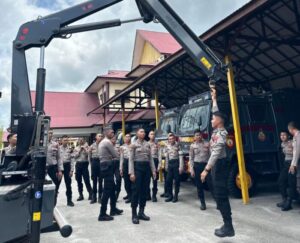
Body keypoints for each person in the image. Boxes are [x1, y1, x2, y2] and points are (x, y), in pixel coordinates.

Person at [201, 87, 235, 238]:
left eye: (213, 119)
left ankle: (228, 226)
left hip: (220, 165)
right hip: (216, 166)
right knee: (216, 192)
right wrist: (214, 98)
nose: (211, 119)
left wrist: (206, 169)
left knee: (221, 194)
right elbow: (216, 111)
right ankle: (225, 222)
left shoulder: (222, 134)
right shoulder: (216, 130)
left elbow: (215, 154)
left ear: (220, 121)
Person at [129, 128, 156, 224]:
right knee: (136, 191)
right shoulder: (133, 145)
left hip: (146, 169)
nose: (143, 133)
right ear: (137, 133)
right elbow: (131, 160)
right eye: (141, 131)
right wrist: (131, 173)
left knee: (144, 191)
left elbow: (151, 159)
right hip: (137, 168)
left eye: (144, 131)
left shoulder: (148, 144)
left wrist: (153, 170)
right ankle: (134, 214)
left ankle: (141, 212)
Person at [98, 128, 123, 221]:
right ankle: (102, 214)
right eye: (111, 132)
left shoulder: (103, 142)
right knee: (107, 190)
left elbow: (112, 155)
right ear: (106, 133)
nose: (113, 133)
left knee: (112, 188)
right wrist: (116, 153)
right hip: (107, 166)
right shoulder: (107, 142)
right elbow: (116, 154)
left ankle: (113, 209)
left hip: (106, 165)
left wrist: (111, 155)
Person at [189, 129, 212, 210]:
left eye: (199, 135)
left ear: (201, 135)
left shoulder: (207, 144)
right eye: (196, 135)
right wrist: (191, 169)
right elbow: (191, 158)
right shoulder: (192, 146)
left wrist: (210, 166)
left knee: (211, 184)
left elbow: (211, 155)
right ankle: (203, 203)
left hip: (206, 166)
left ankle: (218, 203)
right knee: (199, 186)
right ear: (194, 137)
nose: (198, 136)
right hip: (197, 166)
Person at [276, 131, 296, 211]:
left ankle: (289, 203)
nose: (282, 136)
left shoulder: (292, 143)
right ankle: (284, 199)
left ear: (288, 136)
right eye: (281, 135)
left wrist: (294, 164)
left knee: (291, 183)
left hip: (292, 164)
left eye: (284, 135)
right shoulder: (282, 144)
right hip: (286, 164)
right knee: (281, 181)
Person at [164, 134, 183, 203]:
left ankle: (176, 196)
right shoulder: (167, 146)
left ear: (174, 139)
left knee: (177, 181)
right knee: (168, 180)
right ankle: (170, 195)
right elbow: (166, 157)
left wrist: (181, 167)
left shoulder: (178, 145)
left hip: (176, 163)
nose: (170, 140)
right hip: (170, 164)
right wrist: (166, 165)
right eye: (169, 139)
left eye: (172, 139)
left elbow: (181, 157)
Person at [46, 130, 63, 206]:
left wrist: (60, 170)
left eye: (51, 133)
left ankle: (53, 206)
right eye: (49, 133)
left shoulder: (55, 144)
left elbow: (59, 158)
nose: (50, 135)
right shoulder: (40, 143)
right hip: (43, 169)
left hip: (53, 168)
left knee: (55, 188)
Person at [60, 135, 75, 207]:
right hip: (60, 167)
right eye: (64, 140)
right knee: (56, 184)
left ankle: (69, 201)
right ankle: (53, 202)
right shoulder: (58, 149)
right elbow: (57, 159)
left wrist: (71, 170)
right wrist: (58, 170)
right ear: (61, 141)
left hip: (67, 167)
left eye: (66, 140)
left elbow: (72, 160)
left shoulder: (70, 149)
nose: (65, 141)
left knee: (68, 185)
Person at [89, 133, 104, 204]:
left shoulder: (104, 145)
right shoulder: (92, 146)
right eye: (99, 136)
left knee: (100, 181)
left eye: (101, 136)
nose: (100, 137)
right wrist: (91, 165)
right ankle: (94, 197)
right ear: (96, 137)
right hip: (94, 162)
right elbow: (89, 156)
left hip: (101, 162)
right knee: (94, 181)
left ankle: (100, 197)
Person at [288, 122, 300, 200]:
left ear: (291, 129)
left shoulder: (297, 136)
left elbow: (297, 151)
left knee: (298, 178)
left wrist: (293, 164)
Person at [120, 133, 132, 204]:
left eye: (128, 137)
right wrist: (121, 168)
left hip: (131, 163)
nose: (127, 138)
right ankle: (129, 194)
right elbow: (121, 158)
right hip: (125, 163)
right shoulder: (122, 147)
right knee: (126, 181)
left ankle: (131, 196)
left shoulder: (133, 146)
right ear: (124, 139)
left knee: (131, 181)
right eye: (126, 137)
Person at [148, 131, 159, 202]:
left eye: (154, 134)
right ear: (149, 136)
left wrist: (159, 164)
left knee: (155, 179)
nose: (153, 135)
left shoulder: (157, 144)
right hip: (148, 162)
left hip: (155, 161)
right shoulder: (146, 144)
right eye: (151, 134)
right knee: (147, 180)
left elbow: (159, 154)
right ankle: (147, 195)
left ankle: (154, 195)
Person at [111, 135, 122, 201]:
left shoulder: (119, 147)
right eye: (112, 139)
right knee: (111, 180)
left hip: (117, 164)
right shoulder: (108, 146)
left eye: (114, 139)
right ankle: (114, 191)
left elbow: (121, 156)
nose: (113, 140)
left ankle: (117, 193)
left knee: (118, 179)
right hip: (110, 164)